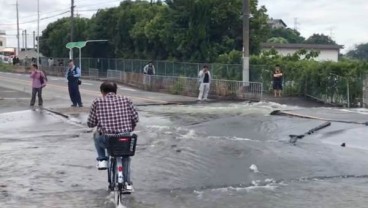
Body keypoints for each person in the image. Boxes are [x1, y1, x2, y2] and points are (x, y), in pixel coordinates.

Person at [87, 81, 139, 192]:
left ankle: (102, 160)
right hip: (125, 139)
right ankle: (127, 183)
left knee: (96, 134)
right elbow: (135, 118)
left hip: (108, 139)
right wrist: (131, 127)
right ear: (115, 91)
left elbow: (91, 123)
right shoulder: (127, 100)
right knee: (125, 158)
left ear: (102, 92)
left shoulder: (97, 101)